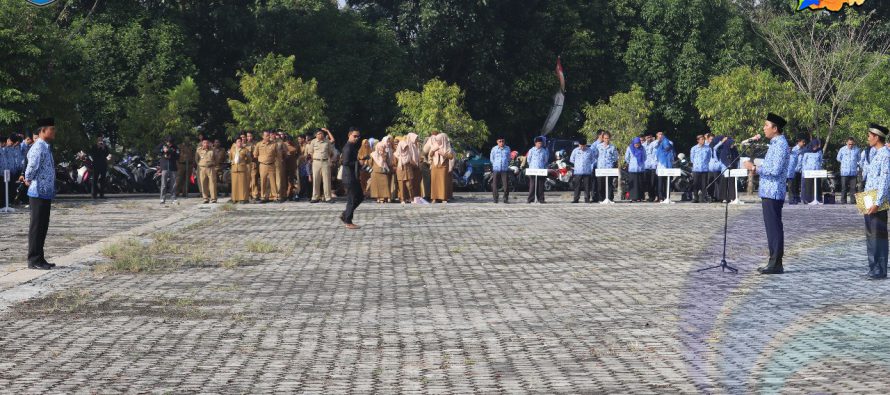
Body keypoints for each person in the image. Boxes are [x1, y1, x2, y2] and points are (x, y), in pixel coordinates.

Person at [743, 113, 790, 275]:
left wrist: (754, 168)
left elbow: (775, 170)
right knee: (771, 227)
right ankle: (773, 260)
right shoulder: (775, 143)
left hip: (774, 190)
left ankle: (776, 262)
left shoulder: (780, 145)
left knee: (774, 227)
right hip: (769, 190)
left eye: (766, 125)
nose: (764, 128)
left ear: (775, 129)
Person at [22, 118, 57, 270]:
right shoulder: (38, 147)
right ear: (43, 131)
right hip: (37, 191)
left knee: (43, 226)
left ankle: (40, 258)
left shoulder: (46, 146)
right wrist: (28, 178)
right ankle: (33, 259)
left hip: (46, 192)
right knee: (36, 226)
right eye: (51, 129)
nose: (54, 132)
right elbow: (32, 165)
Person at [862, 124, 890, 280]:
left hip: (877, 202)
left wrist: (877, 203)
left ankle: (879, 269)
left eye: (869, 135)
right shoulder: (876, 153)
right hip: (869, 199)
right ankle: (873, 267)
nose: (868, 138)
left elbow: (885, 180)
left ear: (876, 137)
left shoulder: (885, 155)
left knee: (878, 236)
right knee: (870, 235)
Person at [339, 129, 364, 229]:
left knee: (360, 197)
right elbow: (345, 162)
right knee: (352, 199)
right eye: (355, 136)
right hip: (349, 177)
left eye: (358, 136)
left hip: (354, 176)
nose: (357, 138)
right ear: (349, 135)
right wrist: (358, 163)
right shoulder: (348, 147)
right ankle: (348, 221)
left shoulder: (352, 146)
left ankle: (345, 215)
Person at [424, 132, 454, 203]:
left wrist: (444, 154)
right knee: (434, 182)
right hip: (435, 165)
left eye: (439, 140)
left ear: (443, 139)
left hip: (443, 165)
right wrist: (434, 150)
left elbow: (451, 157)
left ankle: (443, 198)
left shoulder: (447, 146)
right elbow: (430, 155)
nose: (437, 141)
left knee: (443, 182)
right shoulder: (435, 145)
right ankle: (434, 198)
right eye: (437, 140)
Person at [308, 128, 335, 203]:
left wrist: (328, 159)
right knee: (316, 179)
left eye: (321, 133)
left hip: (325, 162)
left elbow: (330, 152)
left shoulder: (327, 141)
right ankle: (315, 197)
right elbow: (311, 152)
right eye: (318, 134)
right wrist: (314, 159)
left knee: (327, 180)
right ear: (315, 135)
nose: (320, 135)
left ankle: (328, 197)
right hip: (316, 162)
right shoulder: (313, 142)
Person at [396, 133, 421, 204]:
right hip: (401, 169)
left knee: (409, 185)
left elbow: (412, 161)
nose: (406, 148)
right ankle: (402, 199)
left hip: (408, 169)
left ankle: (412, 198)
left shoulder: (409, 153)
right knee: (401, 185)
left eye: (406, 147)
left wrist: (416, 165)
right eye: (404, 147)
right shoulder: (397, 155)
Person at [570, 139, 596, 203]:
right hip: (578, 171)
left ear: (586, 145)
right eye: (580, 146)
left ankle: (587, 199)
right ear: (579, 145)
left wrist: (589, 166)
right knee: (577, 186)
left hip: (587, 171)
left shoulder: (590, 151)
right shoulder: (575, 151)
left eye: (583, 146)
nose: (582, 147)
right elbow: (571, 159)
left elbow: (593, 160)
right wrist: (577, 164)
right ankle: (576, 199)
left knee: (587, 186)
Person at [837, 137, 861, 204]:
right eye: (849, 144)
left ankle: (853, 201)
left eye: (852, 144)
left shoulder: (857, 150)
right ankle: (843, 201)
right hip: (844, 172)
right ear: (846, 143)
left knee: (853, 188)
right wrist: (844, 162)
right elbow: (838, 158)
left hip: (853, 172)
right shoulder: (842, 149)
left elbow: (859, 159)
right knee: (844, 187)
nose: (851, 145)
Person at [595, 132, 618, 202]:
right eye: (605, 138)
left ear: (610, 138)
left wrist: (610, 162)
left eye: (608, 138)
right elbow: (595, 156)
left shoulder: (612, 147)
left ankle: (610, 198)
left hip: (609, 168)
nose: (606, 140)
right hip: (600, 168)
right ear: (603, 138)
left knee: (609, 184)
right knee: (600, 185)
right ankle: (601, 198)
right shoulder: (598, 146)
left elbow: (615, 157)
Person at [525, 136, 549, 203]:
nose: (540, 145)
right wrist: (532, 166)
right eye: (538, 143)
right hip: (533, 169)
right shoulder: (531, 150)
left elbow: (545, 160)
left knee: (540, 185)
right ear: (535, 143)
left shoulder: (544, 151)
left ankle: (541, 199)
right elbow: (528, 160)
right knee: (532, 185)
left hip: (541, 170)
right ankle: (530, 199)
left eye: (541, 143)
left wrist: (542, 166)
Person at [157, 137, 180, 205]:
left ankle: (173, 198)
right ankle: (162, 199)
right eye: (168, 142)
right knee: (163, 184)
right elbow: (156, 151)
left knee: (173, 184)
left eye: (170, 143)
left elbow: (178, 156)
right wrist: (163, 151)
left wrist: (171, 155)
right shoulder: (162, 145)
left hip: (173, 167)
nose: (169, 144)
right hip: (164, 167)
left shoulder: (175, 147)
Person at [800, 137, 823, 204]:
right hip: (808, 172)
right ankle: (808, 199)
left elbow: (820, 160)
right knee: (808, 185)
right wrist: (804, 172)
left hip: (817, 171)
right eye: (814, 146)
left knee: (816, 185)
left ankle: (817, 199)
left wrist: (819, 166)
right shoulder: (806, 152)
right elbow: (804, 162)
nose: (815, 147)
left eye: (817, 145)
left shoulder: (819, 151)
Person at [229, 137, 252, 204]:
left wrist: (243, 163)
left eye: (240, 141)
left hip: (242, 168)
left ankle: (243, 199)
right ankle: (235, 199)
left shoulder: (245, 150)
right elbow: (230, 158)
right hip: (234, 168)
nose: (240, 142)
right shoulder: (232, 150)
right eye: (238, 141)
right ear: (235, 143)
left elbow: (249, 159)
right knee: (234, 184)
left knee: (242, 185)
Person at [196, 138, 219, 204]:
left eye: (207, 143)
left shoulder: (213, 150)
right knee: (203, 183)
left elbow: (216, 159)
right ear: (202, 143)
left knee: (212, 183)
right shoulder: (199, 150)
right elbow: (196, 159)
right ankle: (205, 198)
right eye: (204, 143)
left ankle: (213, 198)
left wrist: (213, 164)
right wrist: (200, 165)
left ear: (209, 143)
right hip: (202, 168)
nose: (205, 144)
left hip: (211, 168)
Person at [690, 135, 711, 203]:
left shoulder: (708, 148)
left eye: (703, 139)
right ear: (698, 140)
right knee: (695, 184)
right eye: (701, 139)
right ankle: (695, 198)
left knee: (704, 184)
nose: (703, 141)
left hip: (704, 169)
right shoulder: (694, 148)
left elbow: (708, 158)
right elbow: (692, 159)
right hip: (696, 169)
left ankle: (703, 198)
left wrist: (705, 164)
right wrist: (696, 164)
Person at [490, 137, 511, 204]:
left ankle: (505, 198)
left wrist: (506, 163)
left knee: (506, 185)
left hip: (504, 169)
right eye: (500, 141)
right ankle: (495, 198)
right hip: (496, 168)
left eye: (503, 141)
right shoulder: (494, 149)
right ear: (497, 142)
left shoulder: (507, 148)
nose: (501, 142)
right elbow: (492, 158)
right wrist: (495, 164)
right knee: (495, 184)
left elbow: (509, 158)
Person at [625, 137, 647, 202]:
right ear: (633, 143)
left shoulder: (642, 148)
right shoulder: (629, 148)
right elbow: (627, 158)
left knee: (640, 183)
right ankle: (632, 197)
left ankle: (640, 197)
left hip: (640, 169)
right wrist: (632, 162)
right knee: (633, 184)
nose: (637, 145)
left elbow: (645, 157)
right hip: (632, 169)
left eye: (638, 143)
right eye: (635, 143)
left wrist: (641, 162)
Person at [655, 131, 675, 202]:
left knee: (668, 182)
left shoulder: (670, 143)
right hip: (660, 165)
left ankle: (667, 197)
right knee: (660, 182)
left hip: (668, 165)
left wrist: (672, 162)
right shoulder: (656, 144)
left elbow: (672, 153)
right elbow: (656, 155)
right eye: (659, 135)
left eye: (661, 134)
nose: (660, 136)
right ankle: (660, 197)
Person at [786, 136, 805, 204]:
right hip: (788, 171)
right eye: (789, 147)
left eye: (790, 148)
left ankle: (794, 199)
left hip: (794, 171)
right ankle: (791, 199)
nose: (790, 149)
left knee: (794, 185)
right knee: (791, 186)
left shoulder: (794, 153)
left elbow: (797, 161)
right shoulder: (792, 151)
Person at [706, 133, 722, 203]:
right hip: (709, 167)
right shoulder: (706, 147)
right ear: (708, 139)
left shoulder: (718, 147)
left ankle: (719, 197)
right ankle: (710, 196)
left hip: (717, 166)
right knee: (710, 182)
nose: (712, 141)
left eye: (713, 139)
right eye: (711, 139)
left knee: (718, 182)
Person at [644, 133, 659, 202]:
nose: (649, 138)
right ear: (645, 138)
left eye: (650, 137)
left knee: (654, 182)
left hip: (654, 166)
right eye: (647, 137)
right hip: (646, 166)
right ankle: (651, 197)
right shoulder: (643, 145)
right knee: (648, 183)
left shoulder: (656, 144)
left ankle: (656, 196)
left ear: (652, 137)